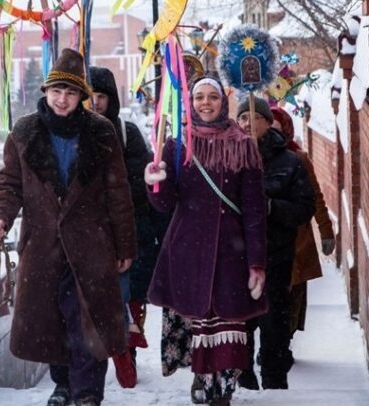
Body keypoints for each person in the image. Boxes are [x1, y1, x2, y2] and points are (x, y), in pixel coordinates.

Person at [0, 48, 138, 406]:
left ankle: (87, 393)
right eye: (57, 91)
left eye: (70, 93)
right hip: (43, 246)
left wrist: (125, 246)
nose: (62, 99)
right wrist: (1, 216)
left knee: (88, 321)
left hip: (92, 246)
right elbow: (10, 183)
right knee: (51, 321)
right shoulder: (24, 132)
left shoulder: (101, 133)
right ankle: (63, 386)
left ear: (81, 97)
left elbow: (118, 192)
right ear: (46, 92)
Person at [144, 75, 268, 406]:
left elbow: (255, 209)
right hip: (187, 249)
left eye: (212, 97)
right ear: (190, 103)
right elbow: (165, 204)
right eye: (199, 97)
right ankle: (202, 376)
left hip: (231, 252)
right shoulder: (177, 145)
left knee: (228, 322)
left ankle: (223, 390)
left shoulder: (243, 145)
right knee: (197, 321)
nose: (205, 103)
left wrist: (257, 261)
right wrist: (155, 182)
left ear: (223, 102)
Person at [88, 66, 167, 388]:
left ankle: (127, 354)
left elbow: (141, 182)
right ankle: (99, 358)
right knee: (94, 300)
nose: (95, 102)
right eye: (89, 95)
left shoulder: (126, 132)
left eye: (101, 96)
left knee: (131, 297)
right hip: (90, 233)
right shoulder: (75, 132)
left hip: (131, 230)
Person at [235, 98, 315, 390]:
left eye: (254, 117)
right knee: (239, 327)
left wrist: (271, 207)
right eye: (242, 118)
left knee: (274, 328)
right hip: (237, 257)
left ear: (268, 123)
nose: (247, 124)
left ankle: (274, 385)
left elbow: (304, 208)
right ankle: (244, 381)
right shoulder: (229, 159)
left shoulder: (290, 162)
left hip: (276, 258)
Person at [269, 107, 335, 336]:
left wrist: (326, 231)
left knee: (292, 299)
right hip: (267, 243)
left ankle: (284, 341)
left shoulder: (298, 158)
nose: (272, 134)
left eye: (277, 128)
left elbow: (316, 197)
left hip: (297, 241)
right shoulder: (254, 156)